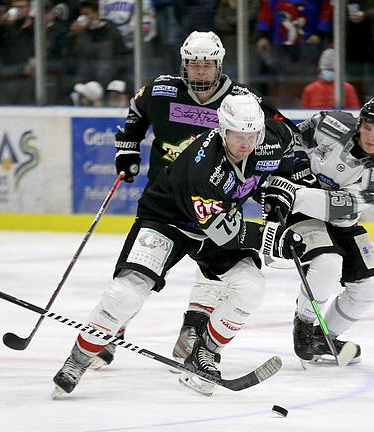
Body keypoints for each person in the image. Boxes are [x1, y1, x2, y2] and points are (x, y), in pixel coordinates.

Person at [52, 94, 304, 397]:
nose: (245, 143)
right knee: (125, 293)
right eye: (238, 135)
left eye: (252, 135)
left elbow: (290, 152)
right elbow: (223, 232)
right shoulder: (203, 168)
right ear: (223, 130)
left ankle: (204, 353)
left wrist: (278, 196)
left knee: (252, 288)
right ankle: (78, 359)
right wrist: (273, 237)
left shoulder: (269, 140)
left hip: (214, 224)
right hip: (167, 222)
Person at [96, 30, 289, 370]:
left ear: (219, 64)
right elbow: (136, 115)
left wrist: (278, 176)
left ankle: (193, 332)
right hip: (165, 202)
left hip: (216, 200)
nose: (201, 71)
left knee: (216, 272)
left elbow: (278, 130)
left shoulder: (242, 100)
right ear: (184, 64)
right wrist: (126, 149)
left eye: (208, 64)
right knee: (140, 272)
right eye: (194, 64)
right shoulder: (161, 90)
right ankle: (114, 327)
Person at [271, 97, 374, 365]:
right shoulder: (330, 123)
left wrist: (292, 191)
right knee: (328, 263)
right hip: (301, 214)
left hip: (336, 218)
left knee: (370, 288)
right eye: (369, 127)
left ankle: (322, 338)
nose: (373, 136)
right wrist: (294, 166)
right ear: (360, 124)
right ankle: (304, 326)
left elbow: (337, 207)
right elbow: (290, 140)